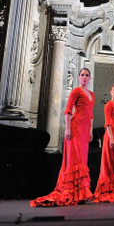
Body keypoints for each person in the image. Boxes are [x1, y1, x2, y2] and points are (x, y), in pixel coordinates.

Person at [30, 68, 95, 207]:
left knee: (82, 160)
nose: (84, 77)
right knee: (74, 159)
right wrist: (67, 128)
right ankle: (70, 192)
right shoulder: (76, 91)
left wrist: (90, 131)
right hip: (75, 128)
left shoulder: (92, 94)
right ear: (78, 77)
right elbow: (68, 110)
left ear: (90, 78)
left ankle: (80, 194)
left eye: (87, 75)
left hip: (84, 132)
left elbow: (91, 115)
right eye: (82, 75)